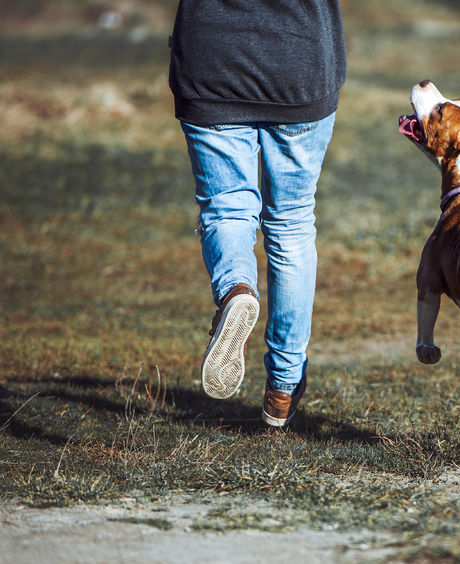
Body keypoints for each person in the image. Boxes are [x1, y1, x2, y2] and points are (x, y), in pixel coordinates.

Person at [168, 1, 346, 426]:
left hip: (210, 61)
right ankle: (282, 390)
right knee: (291, 222)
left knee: (227, 209)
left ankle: (236, 291)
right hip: (300, 60)